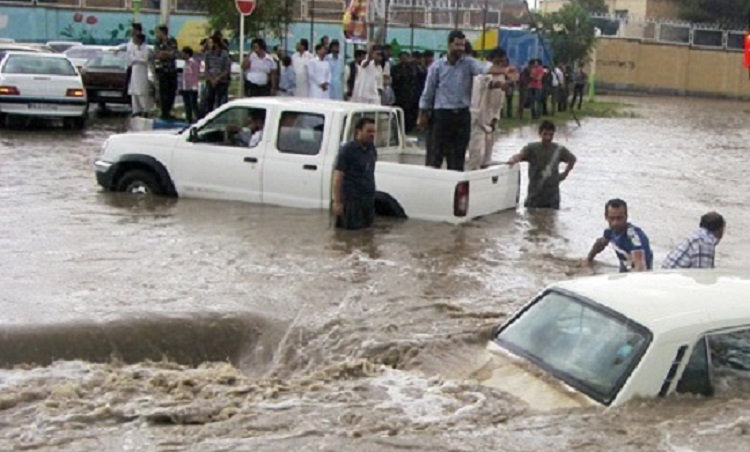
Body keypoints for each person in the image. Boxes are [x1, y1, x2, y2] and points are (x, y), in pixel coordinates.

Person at [418, 30, 490, 171]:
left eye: (462, 45)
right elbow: (428, 93)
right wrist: (422, 114)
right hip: (441, 116)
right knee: (434, 156)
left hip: (461, 117)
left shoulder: (468, 64)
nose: (460, 49)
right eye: (457, 45)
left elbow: (484, 68)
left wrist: (503, 70)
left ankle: (454, 189)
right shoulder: (437, 67)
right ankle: (430, 186)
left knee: (457, 158)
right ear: (449, 44)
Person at [466, 47, 517, 170]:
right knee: (476, 151)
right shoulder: (483, 71)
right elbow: (486, 84)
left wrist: (496, 118)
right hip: (478, 117)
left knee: (487, 154)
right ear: (491, 59)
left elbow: (499, 101)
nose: (500, 64)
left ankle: (484, 175)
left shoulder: (501, 76)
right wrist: (501, 84)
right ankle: (472, 177)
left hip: (492, 120)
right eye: (497, 61)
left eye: (502, 61)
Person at [506, 120, 576, 209]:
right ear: (540, 134)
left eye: (551, 135)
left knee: (550, 219)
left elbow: (572, 159)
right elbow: (521, 156)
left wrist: (564, 174)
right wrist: (513, 159)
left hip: (552, 199)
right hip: (534, 197)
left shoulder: (559, 150)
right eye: (545, 134)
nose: (548, 138)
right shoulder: (532, 148)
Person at [332, 117, 378, 230]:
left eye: (373, 132)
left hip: (367, 201)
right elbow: (338, 178)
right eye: (368, 131)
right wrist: (337, 202)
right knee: (349, 237)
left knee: (366, 235)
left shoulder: (371, 149)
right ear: (358, 131)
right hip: (351, 202)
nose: (372, 135)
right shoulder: (347, 151)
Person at [586, 199, 653, 273]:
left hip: (640, 273)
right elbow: (601, 243)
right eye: (612, 218)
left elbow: (640, 268)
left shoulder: (634, 238)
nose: (615, 223)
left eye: (619, 218)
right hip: (625, 267)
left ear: (626, 217)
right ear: (606, 217)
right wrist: (589, 259)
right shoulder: (610, 231)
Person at [153, 25, 179, 120]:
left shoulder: (172, 41)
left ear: (163, 32)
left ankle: (169, 111)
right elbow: (157, 55)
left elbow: (174, 54)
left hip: (171, 70)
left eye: (158, 32)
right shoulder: (157, 42)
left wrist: (165, 53)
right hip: (162, 70)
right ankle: (164, 112)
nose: (156, 34)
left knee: (171, 91)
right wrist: (167, 53)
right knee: (163, 92)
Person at [202, 35, 231, 114]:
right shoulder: (208, 54)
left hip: (221, 81)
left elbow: (226, 69)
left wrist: (218, 78)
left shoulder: (224, 54)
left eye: (210, 43)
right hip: (210, 80)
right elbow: (206, 68)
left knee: (220, 101)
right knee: (209, 100)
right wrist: (211, 79)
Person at [127, 33, 151, 118]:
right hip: (134, 71)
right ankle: (136, 111)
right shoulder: (133, 48)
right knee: (134, 92)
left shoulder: (146, 48)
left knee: (142, 92)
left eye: (136, 38)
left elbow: (145, 59)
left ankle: (145, 110)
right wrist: (136, 60)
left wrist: (136, 59)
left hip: (142, 71)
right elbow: (130, 59)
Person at [180, 46, 200, 123]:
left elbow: (195, 75)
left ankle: (198, 118)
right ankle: (189, 118)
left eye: (183, 54)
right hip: (186, 87)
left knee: (193, 104)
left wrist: (194, 86)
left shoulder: (193, 63)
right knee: (187, 104)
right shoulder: (186, 63)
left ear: (187, 54)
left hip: (192, 87)